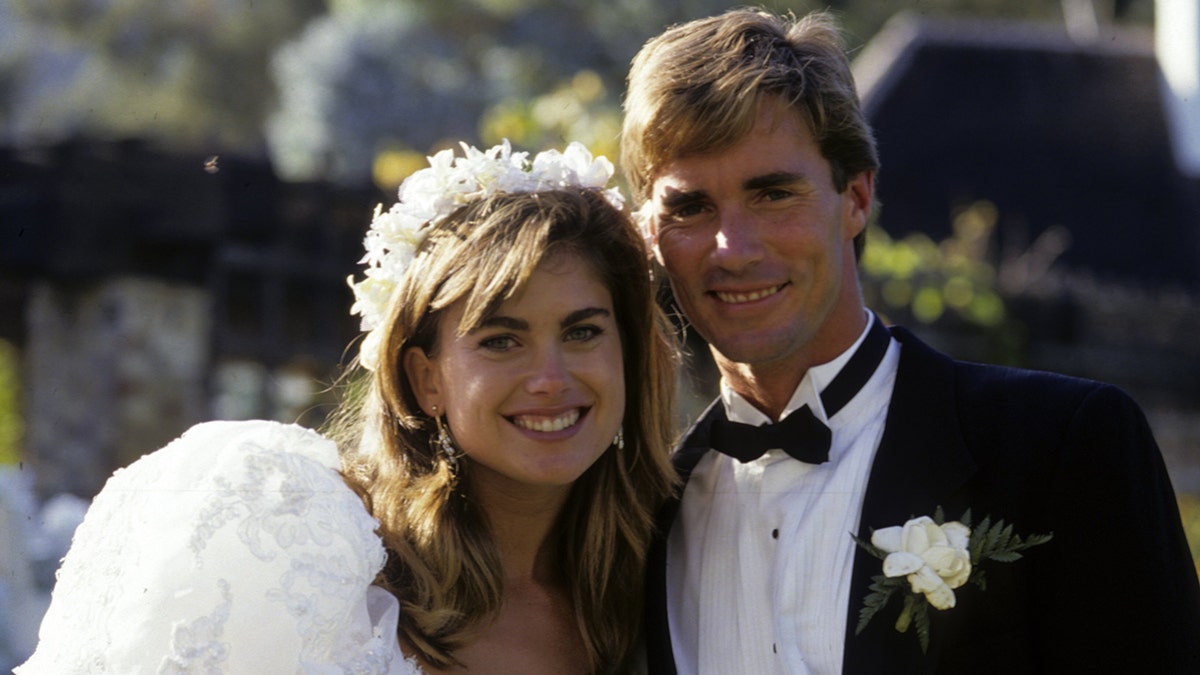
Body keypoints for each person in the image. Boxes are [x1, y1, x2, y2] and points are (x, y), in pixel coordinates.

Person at [621, 8, 1200, 674]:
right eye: (690, 207)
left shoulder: (1063, 447)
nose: (734, 249)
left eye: (773, 193)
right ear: (649, 235)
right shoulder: (640, 520)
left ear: (858, 198)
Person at [17, 141, 678, 674]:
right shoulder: (296, 556)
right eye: (501, 339)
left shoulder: (663, 580)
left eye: (583, 331)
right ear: (426, 380)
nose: (550, 377)